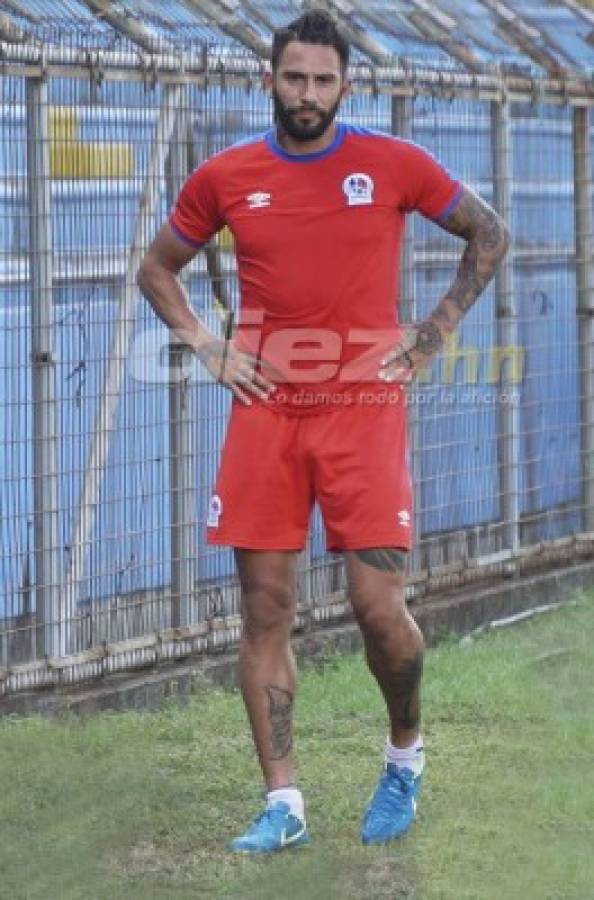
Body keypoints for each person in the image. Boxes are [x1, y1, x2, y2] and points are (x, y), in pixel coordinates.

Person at [137, 8, 509, 854]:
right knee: (264, 610)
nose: (307, 94)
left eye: (323, 80)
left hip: (364, 414)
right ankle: (284, 803)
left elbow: (488, 232)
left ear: (346, 85)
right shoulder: (226, 175)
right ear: (270, 78)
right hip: (264, 416)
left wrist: (434, 330)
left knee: (378, 610)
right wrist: (206, 344)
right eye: (294, 77)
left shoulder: (392, 163)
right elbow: (156, 266)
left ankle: (405, 757)